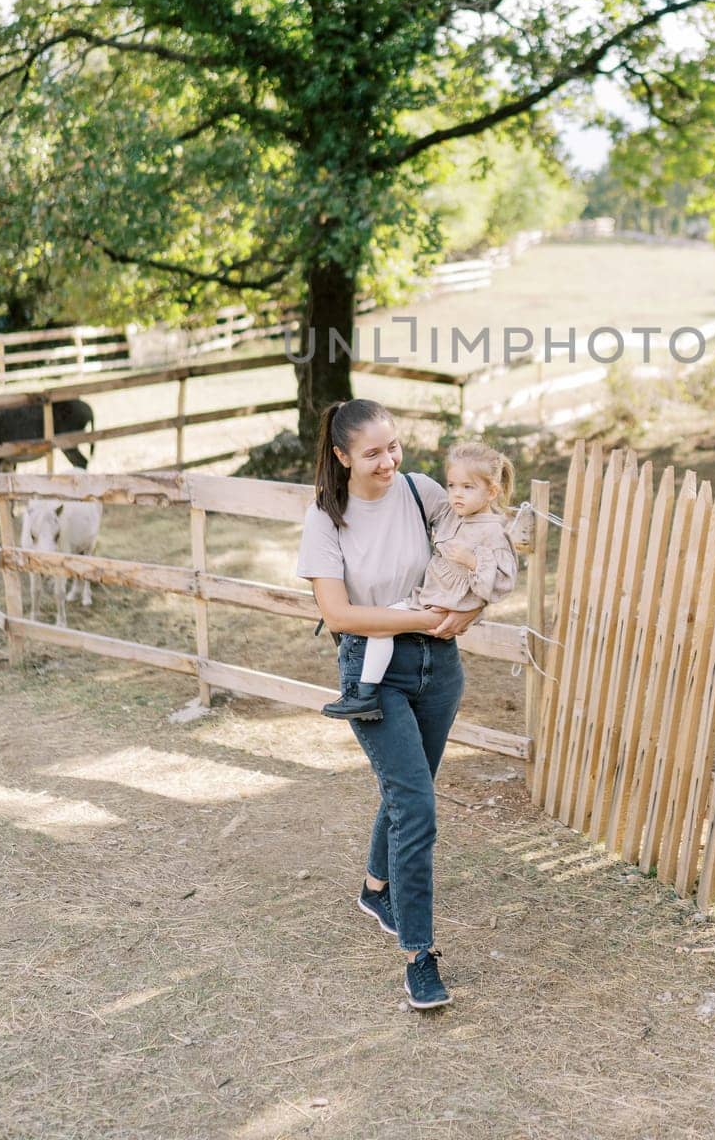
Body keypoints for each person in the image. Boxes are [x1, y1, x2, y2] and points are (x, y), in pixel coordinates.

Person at [294, 398, 482, 1011]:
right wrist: (426, 617)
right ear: (343, 456)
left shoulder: (421, 490)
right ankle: (419, 957)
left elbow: (476, 554)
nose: (388, 461)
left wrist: (467, 612)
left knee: (409, 790)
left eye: (393, 446)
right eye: (372, 453)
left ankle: (377, 889)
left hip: (438, 669)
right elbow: (339, 614)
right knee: (417, 807)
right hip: (373, 674)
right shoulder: (326, 519)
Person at [320, 438, 518, 721]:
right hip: (431, 597)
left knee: (381, 625)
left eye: (468, 487)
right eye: (452, 485)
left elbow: (504, 580)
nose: (456, 494)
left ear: (492, 492)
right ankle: (363, 689)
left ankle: (363, 692)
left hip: (444, 604)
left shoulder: (494, 532)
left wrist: (472, 562)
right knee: (382, 625)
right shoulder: (455, 517)